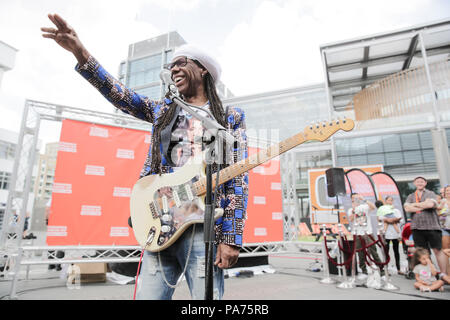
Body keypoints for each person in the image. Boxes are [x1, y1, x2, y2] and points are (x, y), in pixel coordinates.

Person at [41, 14, 248, 300]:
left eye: (180, 62)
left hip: (203, 227)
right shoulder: (164, 109)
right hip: (162, 222)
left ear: (202, 70)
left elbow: (238, 180)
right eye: (170, 65)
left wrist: (231, 238)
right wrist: (80, 52)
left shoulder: (229, 118)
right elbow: (121, 96)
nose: (173, 69)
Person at [404, 176, 448, 281]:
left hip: (432, 226)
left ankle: (443, 274)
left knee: (438, 250)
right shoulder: (410, 195)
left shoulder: (430, 193)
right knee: (422, 252)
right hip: (417, 228)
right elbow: (407, 208)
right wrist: (423, 204)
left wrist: (414, 205)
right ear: (414, 183)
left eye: (422, 181)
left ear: (425, 183)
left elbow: (430, 204)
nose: (420, 183)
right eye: (417, 181)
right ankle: (430, 275)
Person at [348, 193, 385, 280]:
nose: (355, 199)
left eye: (357, 197)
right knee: (360, 252)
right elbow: (351, 219)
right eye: (353, 198)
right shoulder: (351, 209)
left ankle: (381, 271)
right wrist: (354, 209)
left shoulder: (365, 206)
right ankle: (364, 271)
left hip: (368, 232)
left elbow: (373, 207)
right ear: (351, 199)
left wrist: (363, 199)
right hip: (357, 233)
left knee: (373, 251)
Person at [377, 196, 404, 275]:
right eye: (388, 200)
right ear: (385, 201)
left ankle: (398, 268)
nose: (390, 201)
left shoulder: (396, 210)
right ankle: (386, 268)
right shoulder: (382, 210)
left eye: (391, 200)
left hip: (395, 233)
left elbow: (400, 219)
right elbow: (380, 218)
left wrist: (393, 220)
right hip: (386, 232)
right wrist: (387, 220)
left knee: (396, 251)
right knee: (386, 251)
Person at [437, 185, 450, 276]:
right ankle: (448, 274)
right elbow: (437, 213)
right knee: (446, 251)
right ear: (444, 193)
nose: (448, 192)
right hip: (444, 228)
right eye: (447, 191)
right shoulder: (442, 202)